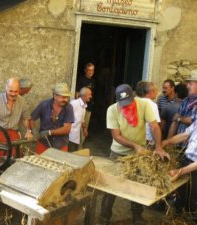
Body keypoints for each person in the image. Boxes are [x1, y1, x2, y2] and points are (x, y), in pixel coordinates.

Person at [100, 84, 169, 225]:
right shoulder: (112, 110)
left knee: (137, 182)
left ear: (133, 95)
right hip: (118, 153)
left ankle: (137, 216)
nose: (126, 106)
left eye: (129, 102)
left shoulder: (144, 104)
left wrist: (159, 146)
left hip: (139, 154)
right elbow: (116, 136)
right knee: (110, 185)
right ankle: (104, 216)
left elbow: (154, 126)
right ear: (118, 100)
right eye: (123, 104)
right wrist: (135, 146)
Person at [0, 78, 32, 161]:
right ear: (6, 88)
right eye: (11, 91)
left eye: (16, 91)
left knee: (13, 162)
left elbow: (25, 118)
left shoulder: (22, 101)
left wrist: (28, 131)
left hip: (13, 136)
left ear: (19, 90)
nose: (13, 94)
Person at [162, 121, 197, 220]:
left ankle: (192, 218)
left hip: (195, 166)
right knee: (181, 191)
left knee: (194, 197)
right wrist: (166, 142)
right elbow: (184, 135)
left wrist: (180, 171)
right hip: (187, 159)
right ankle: (179, 215)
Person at [30, 83, 74, 154]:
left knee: (59, 164)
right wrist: (33, 131)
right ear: (55, 95)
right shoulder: (43, 105)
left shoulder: (69, 108)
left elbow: (67, 129)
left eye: (67, 97)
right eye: (63, 97)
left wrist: (49, 132)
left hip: (61, 145)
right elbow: (31, 119)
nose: (66, 100)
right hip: (43, 144)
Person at [167, 71, 197, 146]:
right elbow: (174, 121)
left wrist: (180, 118)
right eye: (187, 83)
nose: (187, 86)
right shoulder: (186, 101)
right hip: (179, 146)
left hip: (192, 149)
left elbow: (192, 121)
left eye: (190, 84)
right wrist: (168, 142)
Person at [68, 87, 92, 152]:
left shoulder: (84, 106)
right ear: (84, 96)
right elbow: (66, 117)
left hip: (76, 135)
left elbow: (81, 120)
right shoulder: (74, 103)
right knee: (70, 154)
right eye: (89, 94)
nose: (91, 96)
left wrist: (84, 128)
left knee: (76, 152)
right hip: (70, 135)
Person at [76, 63, 96, 136]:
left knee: (85, 126)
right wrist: (78, 105)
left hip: (89, 106)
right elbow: (77, 93)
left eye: (92, 70)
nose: (90, 72)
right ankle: (78, 145)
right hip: (81, 107)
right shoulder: (81, 79)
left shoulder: (93, 81)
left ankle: (81, 145)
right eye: (88, 70)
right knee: (79, 126)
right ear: (85, 70)